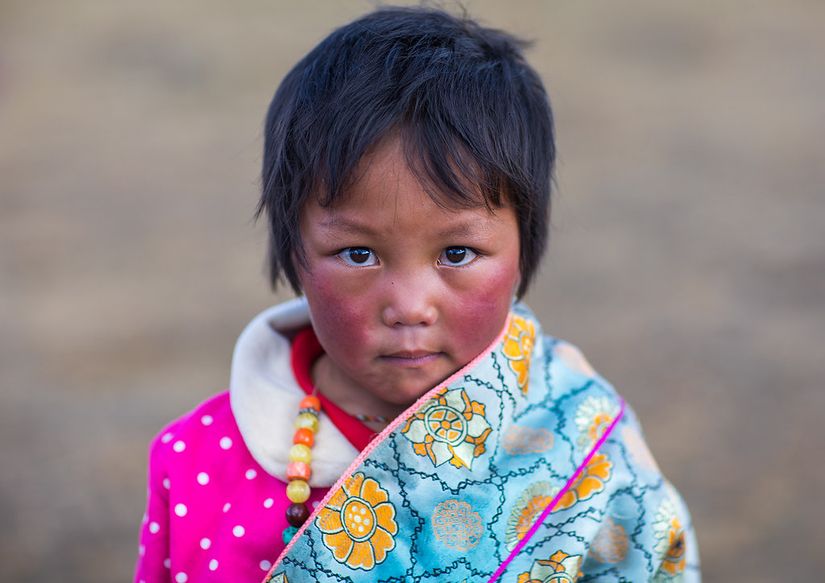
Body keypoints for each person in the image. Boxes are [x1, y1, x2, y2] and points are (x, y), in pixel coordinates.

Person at [135, 6, 700, 582]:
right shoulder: (200, 460)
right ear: (294, 250)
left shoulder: (585, 446)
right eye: (358, 254)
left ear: (524, 246)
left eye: (457, 254)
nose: (409, 307)